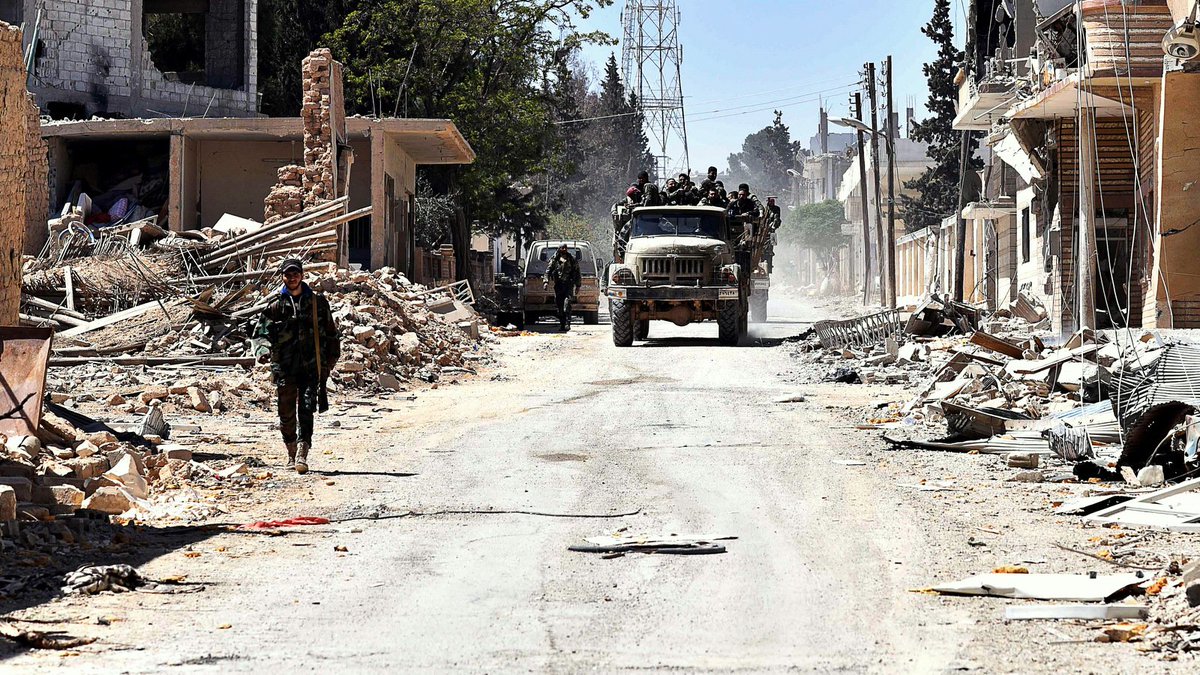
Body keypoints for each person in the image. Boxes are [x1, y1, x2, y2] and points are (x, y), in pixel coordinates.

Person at [253, 258, 341, 474]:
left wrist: (329, 362)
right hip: (284, 367)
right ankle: (291, 451)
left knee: (307, 409)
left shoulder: (317, 303)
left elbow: (331, 334)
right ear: (282, 277)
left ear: (302, 275)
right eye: (288, 275)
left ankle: (302, 452)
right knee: (286, 412)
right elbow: (260, 334)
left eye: (295, 274)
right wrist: (262, 351)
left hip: (311, 367)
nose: (292, 278)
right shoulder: (276, 306)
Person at [543, 244, 582, 331]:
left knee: (567, 304)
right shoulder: (555, 259)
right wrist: (546, 282)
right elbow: (548, 271)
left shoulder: (571, 259)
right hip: (558, 285)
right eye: (562, 248)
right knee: (559, 306)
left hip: (568, 285)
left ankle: (567, 323)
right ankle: (562, 324)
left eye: (565, 248)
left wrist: (578, 285)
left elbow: (577, 272)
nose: (564, 249)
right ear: (559, 249)